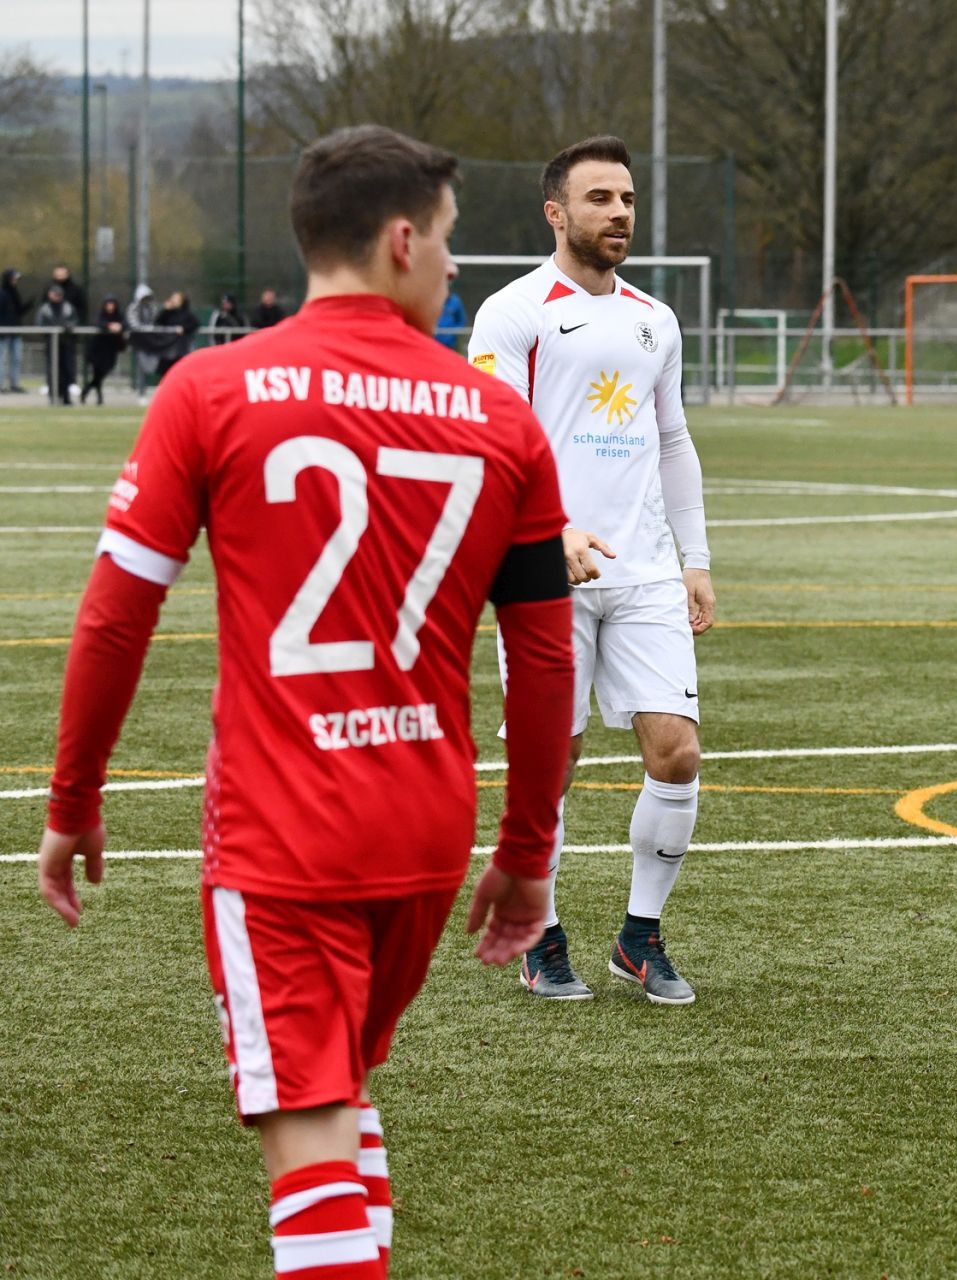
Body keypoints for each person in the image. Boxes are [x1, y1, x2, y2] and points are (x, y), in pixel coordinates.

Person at [36, 123, 574, 1280]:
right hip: (427, 831)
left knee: (310, 1124)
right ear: (396, 240)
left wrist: (73, 793)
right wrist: (527, 848)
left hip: (286, 835)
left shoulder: (211, 390)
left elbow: (114, 615)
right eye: (444, 241)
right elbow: (542, 660)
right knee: (335, 1096)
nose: (450, 267)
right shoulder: (501, 421)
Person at [467, 134, 715, 1005]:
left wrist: (697, 560)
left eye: (628, 199)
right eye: (600, 198)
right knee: (550, 764)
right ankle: (539, 929)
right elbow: (494, 439)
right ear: (556, 212)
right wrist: (550, 526)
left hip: (644, 571)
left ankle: (639, 938)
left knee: (677, 754)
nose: (619, 213)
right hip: (541, 571)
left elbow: (674, 440)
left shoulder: (655, 318)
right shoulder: (513, 311)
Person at [33, 284, 78, 405]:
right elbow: (40, 324)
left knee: (67, 370)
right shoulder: (44, 309)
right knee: (52, 370)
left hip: (66, 343)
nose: (56, 296)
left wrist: (68, 327)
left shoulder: (68, 308)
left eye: (58, 294)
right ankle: (53, 396)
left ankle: (66, 396)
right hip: (51, 343)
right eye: (54, 294)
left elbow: (74, 321)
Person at [83, 297, 128, 404]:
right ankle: (99, 398)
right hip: (98, 350)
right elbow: (98, 323)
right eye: (108, 304)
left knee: (101, 375)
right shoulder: (101, 315)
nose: (110, 307)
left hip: (110, 350)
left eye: (112, 304)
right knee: (97, 374)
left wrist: (119, 326)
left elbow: (126, 325)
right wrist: (109, 326)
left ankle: (86, 391)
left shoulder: (119, 316)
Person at [128, 285, 166, 402]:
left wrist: (152, 329)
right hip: (140, 342)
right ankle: (141, 393)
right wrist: (144, 329)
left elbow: (156, 321)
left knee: (157, 365)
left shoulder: (152, 308)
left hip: (152, 341)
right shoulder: (133, 308)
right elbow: (133, 323)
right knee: (141, 368)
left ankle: (161, 390)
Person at [155, 291, 200, 380]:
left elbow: (195, 324)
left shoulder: (187, 314)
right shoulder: (168, 313)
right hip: (168, 346)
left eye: (177, 299)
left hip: (181, 347)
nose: (174, 301)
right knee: (166, 371)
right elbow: (158, 322)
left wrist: (184, 329)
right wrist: (165, 310)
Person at [0, 268, 26, 393]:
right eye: (13, 278)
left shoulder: (15, 294)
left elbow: (19, 311)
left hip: (15, 331)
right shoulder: (3, 294)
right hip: (4, 332)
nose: (15, 281)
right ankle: (1, 384)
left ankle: (14, 383)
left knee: (17, 358)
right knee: (2, 359)